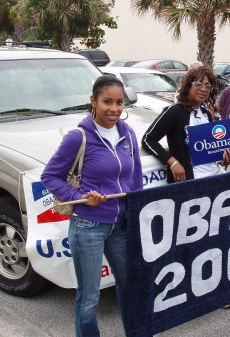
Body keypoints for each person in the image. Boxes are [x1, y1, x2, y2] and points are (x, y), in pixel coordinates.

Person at [41, 75, 143, 337]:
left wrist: (136, 212)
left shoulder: (127, 133)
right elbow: (49, 176)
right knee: (89, 297)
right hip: (88, 226)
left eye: (119, 102)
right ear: (93, 102)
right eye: (107, 102)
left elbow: (134, 178)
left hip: (121, 226)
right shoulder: (79, 137)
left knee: (131, 287)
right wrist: (83, 195)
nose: (114, 109)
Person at [141, 66, 230, 308]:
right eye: (198, 84)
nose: (203, 89)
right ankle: (196, 291)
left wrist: (224, 159)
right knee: (194, 243)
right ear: (187, 86)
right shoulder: (175, 112)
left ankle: (219, 289)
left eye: (208, 86)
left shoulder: (209, 114)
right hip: (189, 188)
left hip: (214, 182)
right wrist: (172, 161)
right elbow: (148, 139)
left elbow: (210, 153)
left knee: (216, 239)